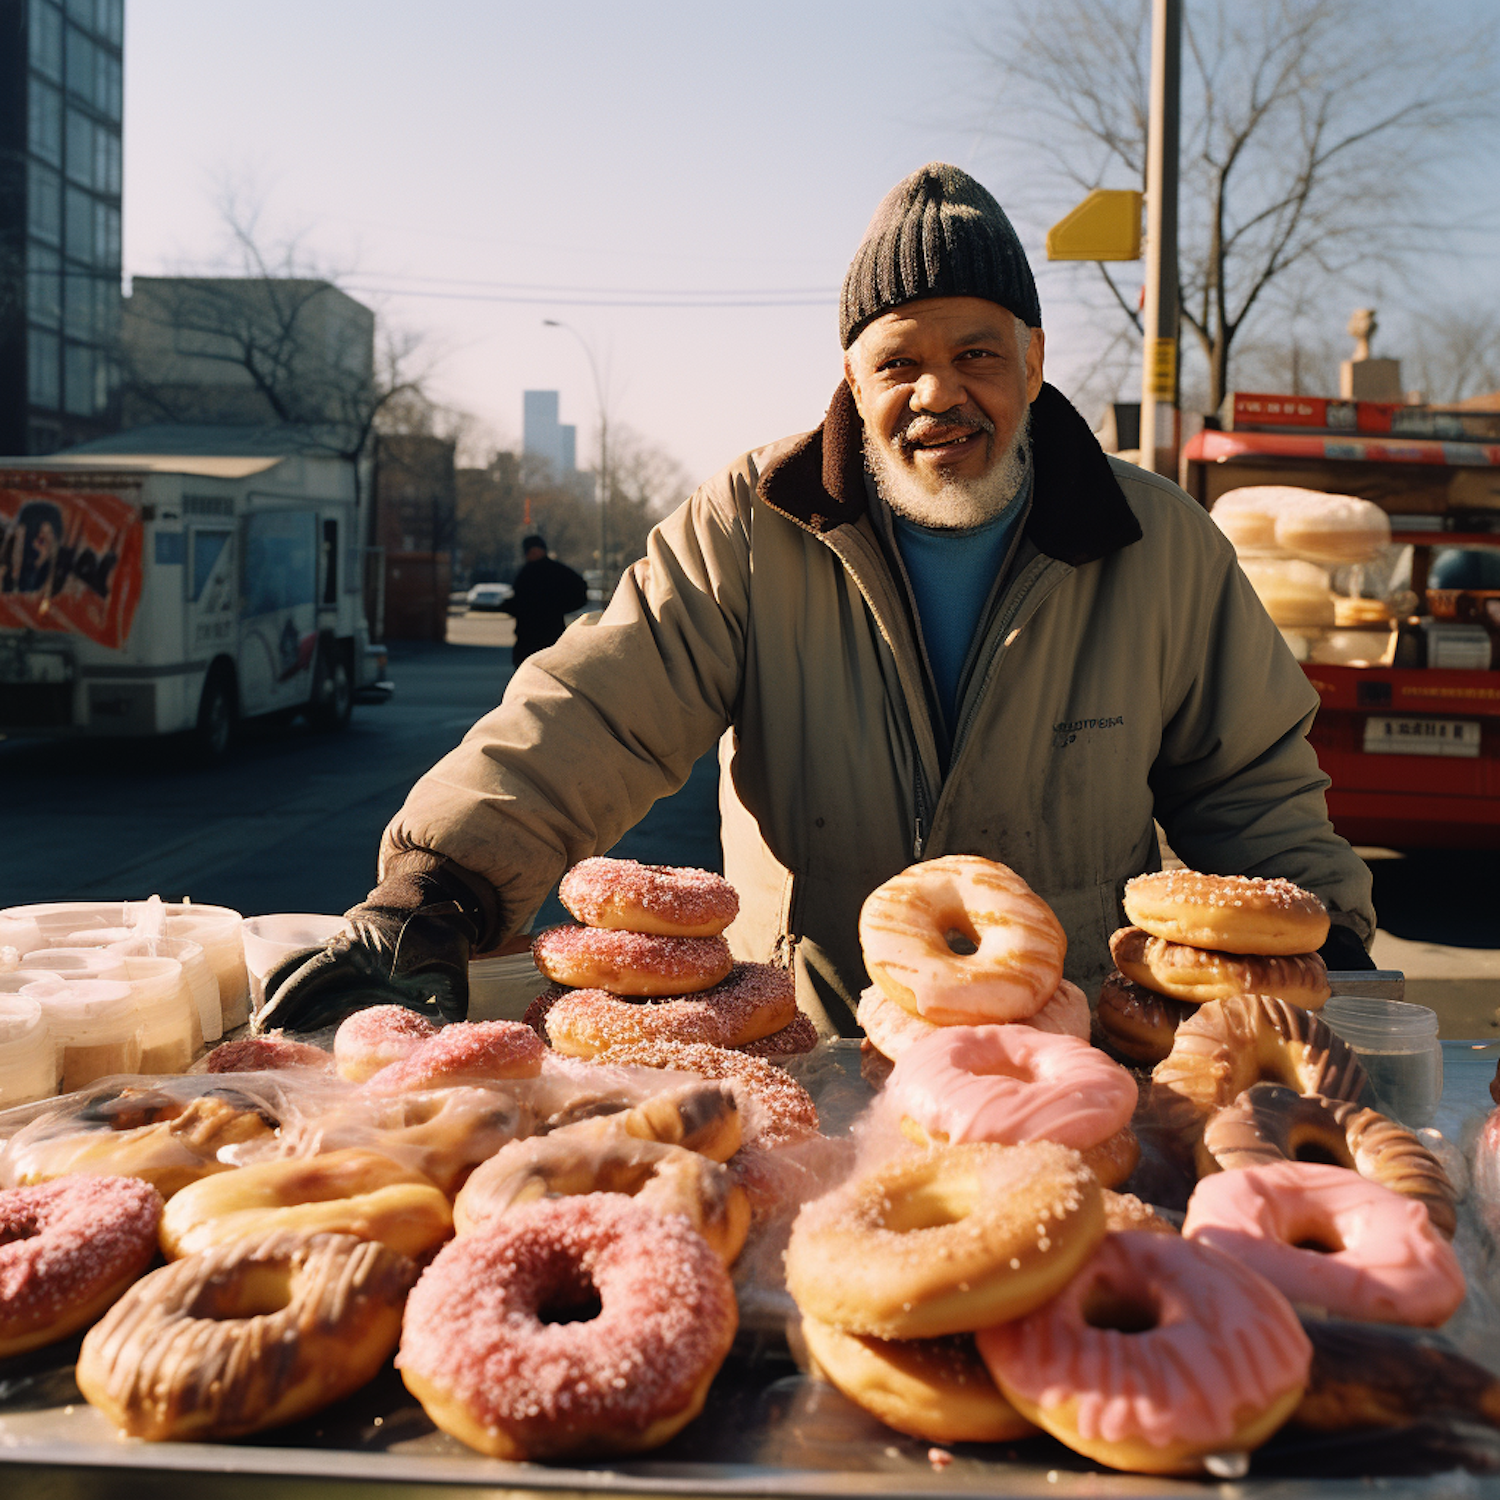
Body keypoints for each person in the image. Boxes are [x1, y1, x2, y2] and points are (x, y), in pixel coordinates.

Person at [259, 163, 1375, 1037]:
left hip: (1070, 1047)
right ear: (854, 380)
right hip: (819, 1044)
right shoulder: (754, 526)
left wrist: (1337, 958)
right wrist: (437, 885)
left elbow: (1253, 794)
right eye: (899, 362)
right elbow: (600, 710)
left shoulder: (1157, 543)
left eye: (978, 352)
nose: (940, 393)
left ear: (1034, 364)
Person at [501, 535, 590, 667]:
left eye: (536, 550)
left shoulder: (556, 571)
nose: (534, 554)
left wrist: (557, 607)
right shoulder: (526, 573)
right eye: (531, 551)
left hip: (548, 633)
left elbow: (579, 592)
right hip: (528, 635)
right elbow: (521, 601)